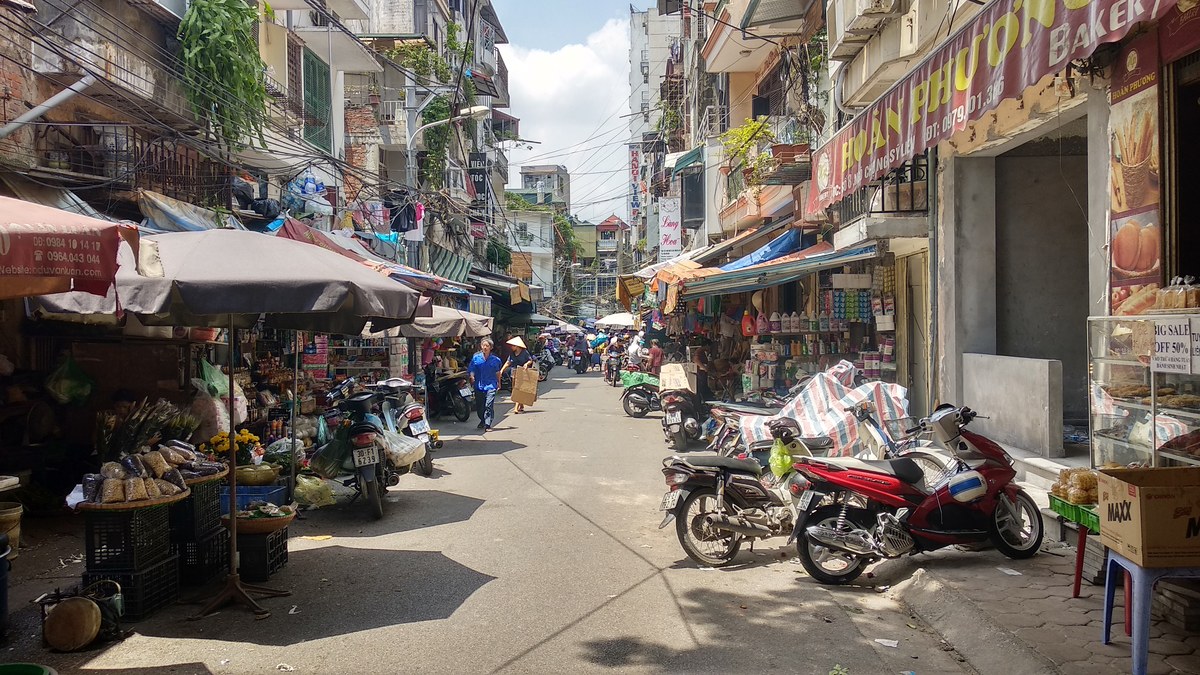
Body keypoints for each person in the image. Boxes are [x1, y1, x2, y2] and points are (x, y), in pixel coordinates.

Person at [467, 338, 502, 431]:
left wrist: (499, 383)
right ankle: (482, 420)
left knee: (488, 404)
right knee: (480, 405)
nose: (485, 347)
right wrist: (471, 376)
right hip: (479, 385)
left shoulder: (496, 360)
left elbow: (498, 373)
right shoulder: (476, 358)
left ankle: (487, 424)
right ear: (481, 347)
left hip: (491, 384)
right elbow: (471, 369)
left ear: (491, 347)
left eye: (487, 346)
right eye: (483, 345)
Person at [500, 336, 534, 413]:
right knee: (514, 389)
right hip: (514, 372)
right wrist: (501, 370)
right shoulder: (512, 354)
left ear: (517, 346)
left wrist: (526, 364)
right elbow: (508, 362)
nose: (511, 347)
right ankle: (521, 404)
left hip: (522, 372)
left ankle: (516, 407)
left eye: (513, 345)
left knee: (518, 389)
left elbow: (530, 360)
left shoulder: (524, 352)